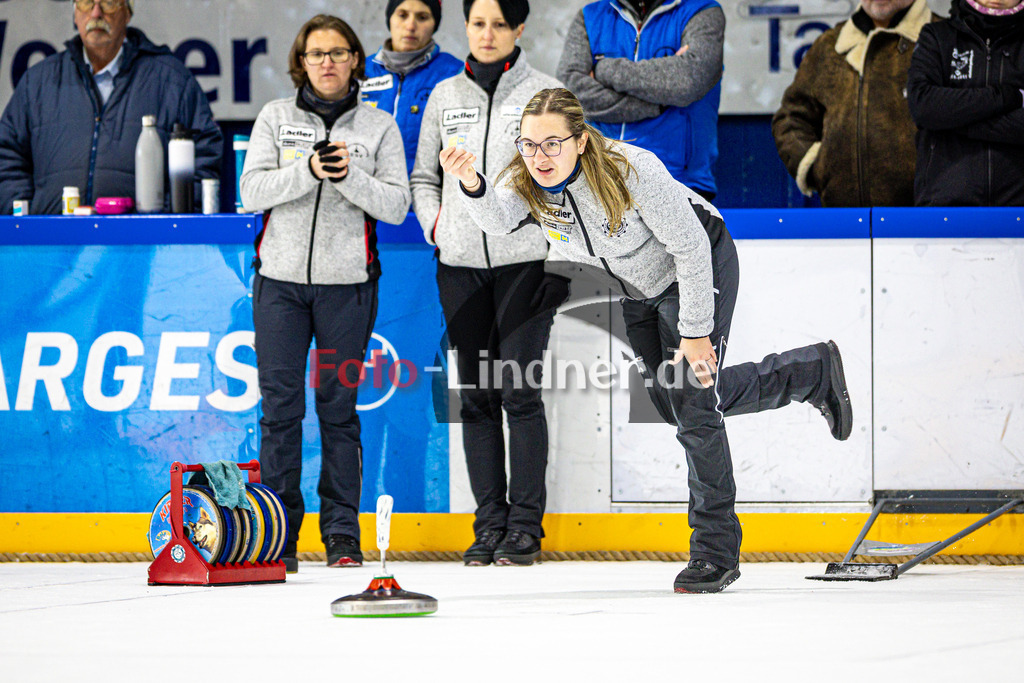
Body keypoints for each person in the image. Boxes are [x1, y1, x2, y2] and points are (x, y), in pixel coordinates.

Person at [438, 88, 853, 593]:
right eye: (527, 145)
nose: (538, 156)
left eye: (551, 144)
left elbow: (691, 247)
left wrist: (697, 334)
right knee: (669, 399)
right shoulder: (527, 178)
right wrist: (472, 183)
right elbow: (500, 220)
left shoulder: (632, 171)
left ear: (581, 140)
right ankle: (807, 373)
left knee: (696, 407)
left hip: (695, 267)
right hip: (636, 288)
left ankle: (714, 552)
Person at [240, 14, 411, 573]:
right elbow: (250, 192)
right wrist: (308, 170)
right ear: (302, 62)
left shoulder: (379, 127)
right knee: (280, 413)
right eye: (317, 54)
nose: (328, 63)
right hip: (280, 288)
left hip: (348, 292)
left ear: (356, 60)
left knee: (339, 413)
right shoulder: (274, 117)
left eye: (339, 53)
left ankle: (342, 535)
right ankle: (277, 537)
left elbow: (396, 205)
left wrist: (348, 178)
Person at [410, 0, 561, 567]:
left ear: (519, 28)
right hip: (460, 266)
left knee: (519, 394)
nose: (489, 34)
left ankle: (524, 530)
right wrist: (436, 222)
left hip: (527, 265)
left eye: (500, 24)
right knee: (475, 398)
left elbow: (567, 177)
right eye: (478, 23)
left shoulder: (545, 96)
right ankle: (488, 528)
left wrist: (546, 236)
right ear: (466, 27)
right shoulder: (445, 97)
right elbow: (423, 176)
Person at [0, 0, 222, 214]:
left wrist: (159, 219)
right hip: (52, 247)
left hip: (144, 248)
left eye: (108, 3)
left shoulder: (173, 81)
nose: (96, 14)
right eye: (86, 3)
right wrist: (25, 215)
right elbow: (6, 154)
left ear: (127, 12)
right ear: (75, 12)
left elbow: (204, 159)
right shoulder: (37, 82)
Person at [772, 0, 938, 207]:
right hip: (844, 223)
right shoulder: (830, 45)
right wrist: (819, 166)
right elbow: (791, 117)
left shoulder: (942, 40)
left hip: (925, 222)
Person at [556, 0, 725, 201]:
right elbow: (571, 93)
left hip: (678, 181)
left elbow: (687, 82)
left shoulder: (702, 11)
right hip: (599, 178)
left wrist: (604, 69)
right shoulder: (590, 16)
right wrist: (659, 101)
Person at [361, 0, 463, 240]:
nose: (410, 25)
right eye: (402, 14)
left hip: (429, 212)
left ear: (435, 23)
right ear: (389, 19)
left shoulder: (455, 73)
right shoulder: (358, 72)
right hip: (367, 209)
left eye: (422, 17)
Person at [908, 0, 1024, 206]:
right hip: (945, 209)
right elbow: (924, 106)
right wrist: (1008, 96)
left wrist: (953, 120)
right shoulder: (937, 36)